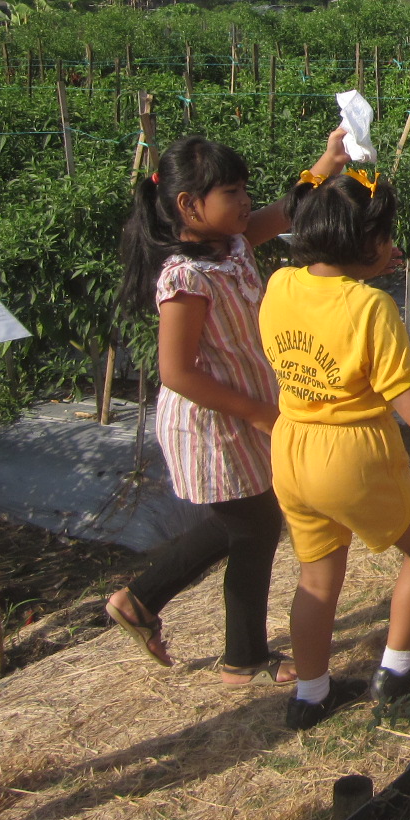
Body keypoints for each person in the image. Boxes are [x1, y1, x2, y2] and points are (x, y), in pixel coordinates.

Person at [106, 131, 347, 685]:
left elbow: (287, 212)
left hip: (242, 411)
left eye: (244, 191)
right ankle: (241, 656)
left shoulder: (230, 244)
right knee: (253, 522)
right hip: (213, 420)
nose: (245, 203)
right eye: (233, 192)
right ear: (190, 205)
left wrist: (328, 161)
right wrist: (260, 413)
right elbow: (177, 372)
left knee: (248, 523)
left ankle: (144, 603)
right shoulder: (185, 278)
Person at [259, 170, 410, 729]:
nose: (392, 247)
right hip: (351, 454)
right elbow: (404, 396)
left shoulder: (279, 285)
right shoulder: (370, 309)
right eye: (385, 237)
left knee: (315, 577)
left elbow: (317, 311)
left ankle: (311, 695)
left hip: (290, 447)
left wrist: (360, 269)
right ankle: (397, 670)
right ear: (367, 244)